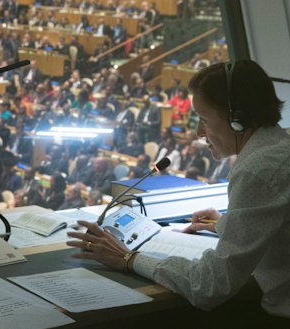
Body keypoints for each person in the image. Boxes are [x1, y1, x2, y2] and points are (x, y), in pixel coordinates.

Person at [67, 60, 290, 324]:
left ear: (237, 119)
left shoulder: (257, 171)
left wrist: (127, 258)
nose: (198, 132)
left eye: (204, 120)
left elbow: (209, 287)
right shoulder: (279, 147)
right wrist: (229, 224)